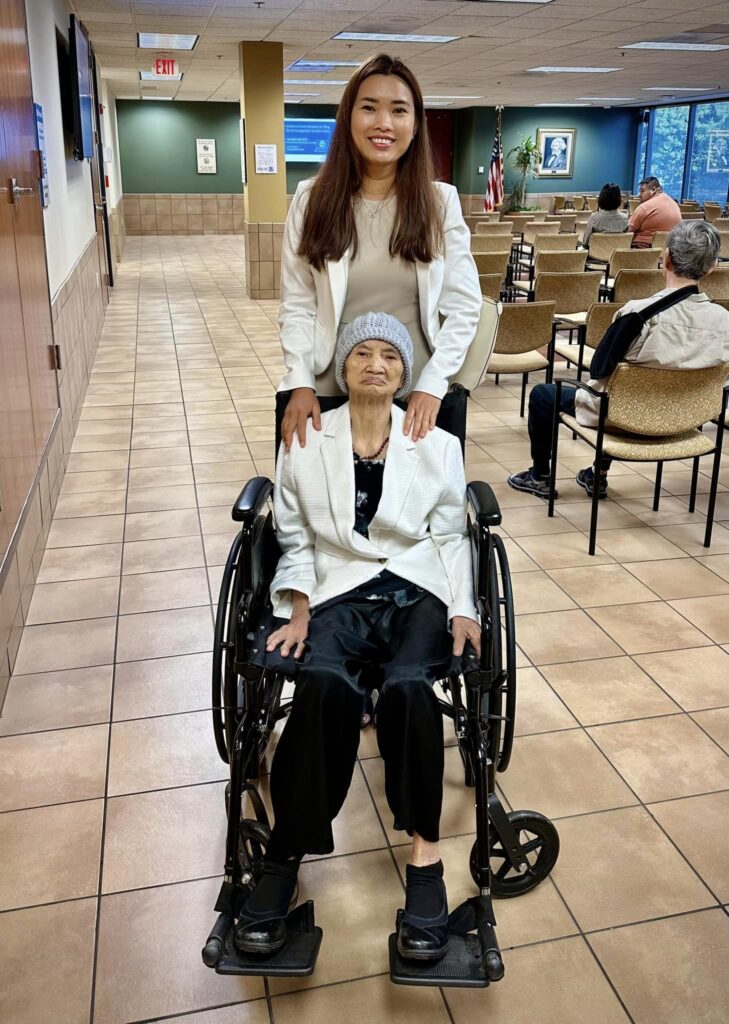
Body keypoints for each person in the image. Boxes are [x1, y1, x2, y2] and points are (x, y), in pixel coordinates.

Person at [234, 312, 480, 963]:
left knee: (407, 689)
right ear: (341, 369)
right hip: (335, 589)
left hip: (415, 588)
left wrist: (463, 605)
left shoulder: (436, 442)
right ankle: (286, 854)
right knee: (321, 685)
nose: (376, 364)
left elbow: (453, 533)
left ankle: (424, 862)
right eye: (361, 353)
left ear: (404, 373)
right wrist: (294, 607)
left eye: (390, 357)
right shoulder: (306, 437)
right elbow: (293, 534)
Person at [278, 54, 481, 451]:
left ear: (414, 123)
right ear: (348, 117)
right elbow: (298, 304)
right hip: (327, 386)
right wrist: (300, 381)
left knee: (418, 509)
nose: (383, 123)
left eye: (398, 110)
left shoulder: (440, 203)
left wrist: (434, 384)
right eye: (369, 107)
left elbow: (464, 306)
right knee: (318, 504)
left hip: (419, 389)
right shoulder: (311, 200)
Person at [507, 221, 729, 501]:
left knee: (544, 395)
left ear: (667, 258)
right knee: (625, 391)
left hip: (623, 417)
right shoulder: (725, 322)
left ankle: (539, 476)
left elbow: (600, 369)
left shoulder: (637, 314)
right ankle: (596, 474)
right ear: (712, 268)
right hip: (685, 419)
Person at [629, 176, 682, 249]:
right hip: (669, 249)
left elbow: (628, 230)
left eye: (642, 191)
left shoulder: (644, 207)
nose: (639, 195)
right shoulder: (674, 204)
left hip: (642, 250)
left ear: (653, 189)